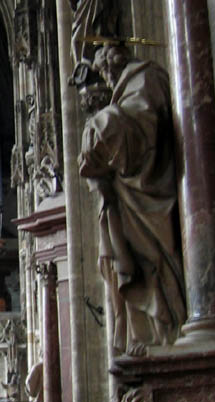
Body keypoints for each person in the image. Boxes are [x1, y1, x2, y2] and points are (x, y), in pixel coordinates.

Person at [79, 43, 185, 355]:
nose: (107, 80)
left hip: (147, 198)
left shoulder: (145, 81)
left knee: (155, 266)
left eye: (106, 73)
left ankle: (165, 328)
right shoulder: (126, 92)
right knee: (135, 271)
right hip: (129, 201)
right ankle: (152, 332)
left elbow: (138, 138)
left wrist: (97, 130)